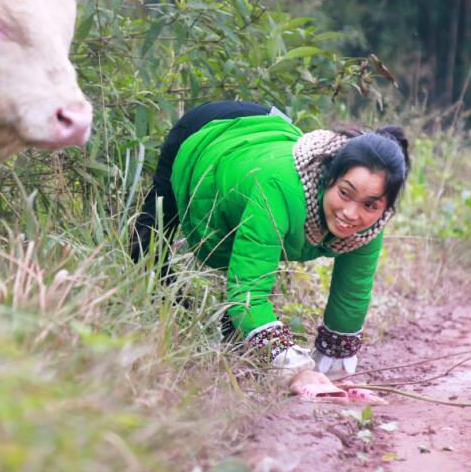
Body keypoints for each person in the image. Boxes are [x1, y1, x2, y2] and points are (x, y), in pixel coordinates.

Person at [130, 100, 410, 375]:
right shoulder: (277, 188)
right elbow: (248, 289)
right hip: (208, 130)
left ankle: (233, 333)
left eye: (370, 205)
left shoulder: (370, 222)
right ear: (329, 178)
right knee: (150, 241)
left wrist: (336, 352)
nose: (352, 213)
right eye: (344, 193)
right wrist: (282, 354)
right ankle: (159, 309)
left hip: (265, 139)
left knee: (257, 254)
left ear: (384, 207)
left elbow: (354, 288)